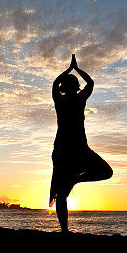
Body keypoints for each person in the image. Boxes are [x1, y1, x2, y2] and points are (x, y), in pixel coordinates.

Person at [49, 54, 112, 233]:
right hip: (65, 150)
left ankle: (74, 181)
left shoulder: (67, 100)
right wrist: (75, 69)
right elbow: (90, 82)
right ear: (75, 87)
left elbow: (55, 84)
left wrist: (69, 70)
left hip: (76, 148)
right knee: (61, 193)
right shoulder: (69, 100)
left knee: (63, 193)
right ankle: (64, 231)